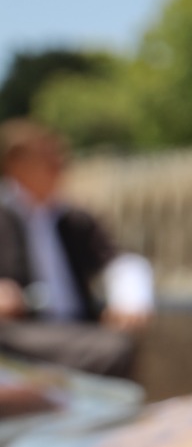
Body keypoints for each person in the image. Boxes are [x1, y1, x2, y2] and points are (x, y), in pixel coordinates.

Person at [0, 120, 151, 378]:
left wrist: (130, 297)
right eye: (48, 160)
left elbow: (118, 260)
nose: (60, 167)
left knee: (116, 346)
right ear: (17, 165)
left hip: (76, 329)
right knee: (111, 350)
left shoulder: (72, 218)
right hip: (20, 333)